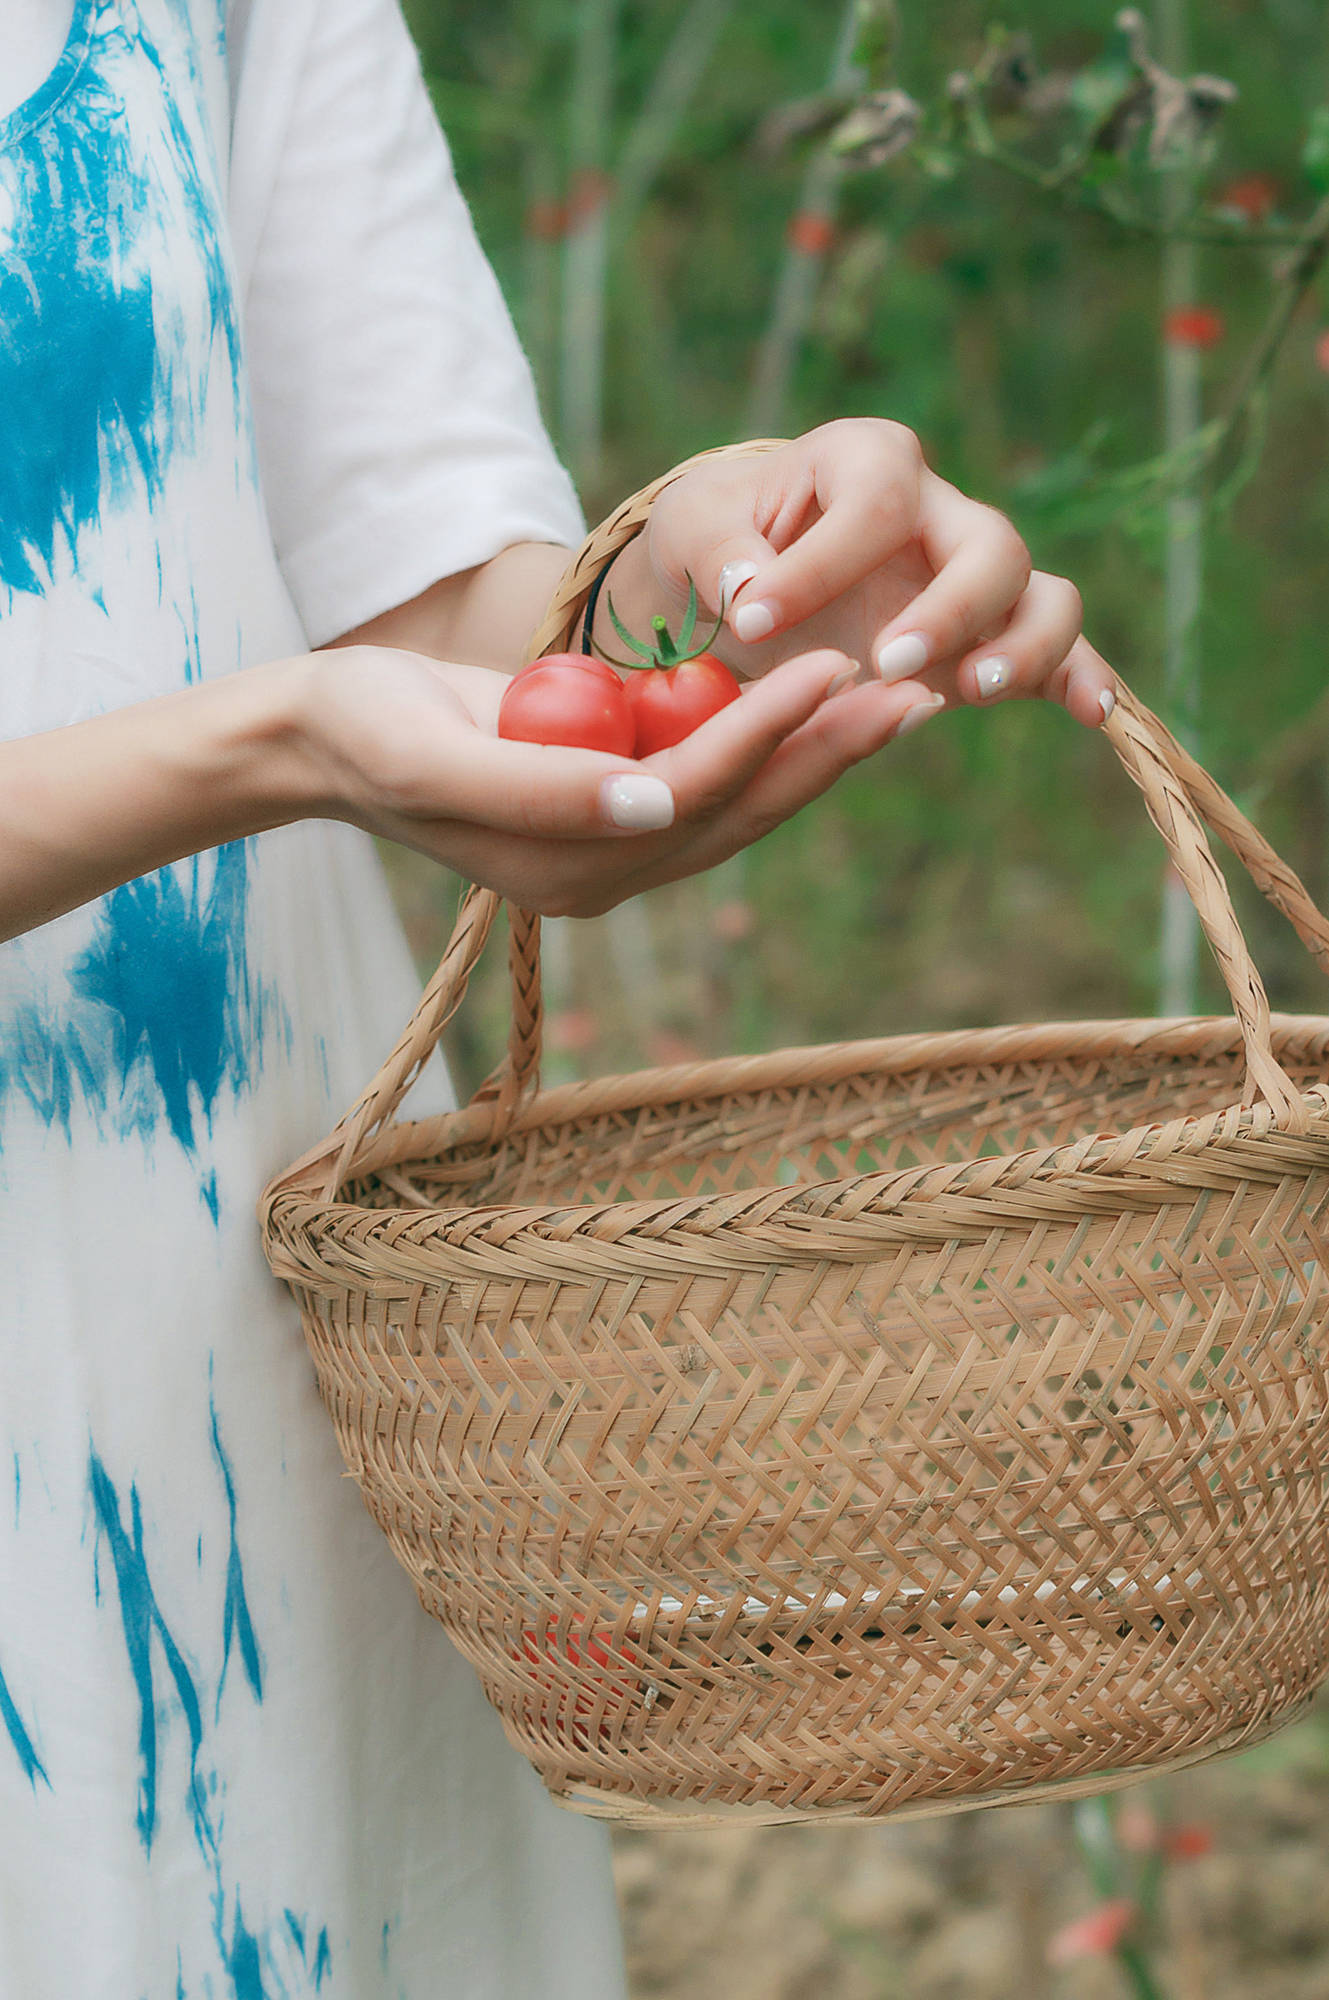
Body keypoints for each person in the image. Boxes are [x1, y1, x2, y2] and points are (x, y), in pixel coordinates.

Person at [0, 0, 1115, 1994]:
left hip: (254, 1353)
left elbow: (420, 580)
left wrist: (696, 589)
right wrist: (256, 748)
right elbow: (314, 707)